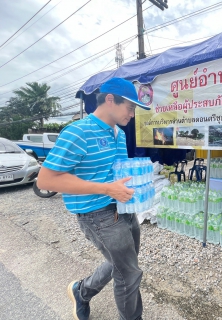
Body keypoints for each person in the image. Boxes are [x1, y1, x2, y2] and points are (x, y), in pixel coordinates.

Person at [37, 77, 150, 320]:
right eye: (130, 107)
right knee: (129, 274)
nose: (132, 114)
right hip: (97, 214)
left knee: (122, 264)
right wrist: (107, 189)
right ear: (110, 100)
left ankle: (81, 291)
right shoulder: (78, 132)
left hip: (124, 209)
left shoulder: (118, 133)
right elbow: (45, 180)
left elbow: (112, 172)